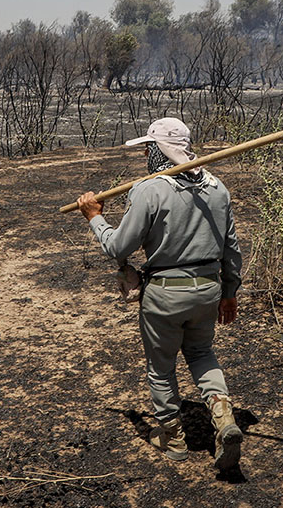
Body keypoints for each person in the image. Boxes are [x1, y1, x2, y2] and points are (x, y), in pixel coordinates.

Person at [76, 117, 244, 470]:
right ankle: (224, 416)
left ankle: (173, 438)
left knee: (161, 367)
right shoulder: (218, 189)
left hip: (165, 295)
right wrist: (229, 292)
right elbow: (232, 250)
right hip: (208, 291)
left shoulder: (149, 189)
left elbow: (118, 245)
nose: (146, 155)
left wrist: (94, 217)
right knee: (201, 353)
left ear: (157, 151)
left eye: (149, 148)